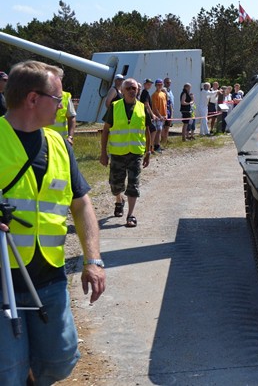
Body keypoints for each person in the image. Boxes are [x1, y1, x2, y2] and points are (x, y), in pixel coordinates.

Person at [0, 60, 105, 384]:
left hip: (49, 278)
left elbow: (81, 203)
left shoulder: (59, 144)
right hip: (3, 283)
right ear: (33, 99)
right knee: (8, 372)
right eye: (58, 99)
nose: (63, 107)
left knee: (60, 360)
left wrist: (93, 260)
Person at [99, 78, 151, 227]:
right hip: (117, 153)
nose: (131, 91)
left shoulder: (142, 108)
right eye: (128, 88)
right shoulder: (114, 107)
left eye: (134, 88)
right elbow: (105, 131)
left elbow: (147, 131)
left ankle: (130, 215)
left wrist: (148, 151)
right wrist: (103, 153)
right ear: (122, 91)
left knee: (133, 184)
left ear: (137, 90)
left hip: (135, 153)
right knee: (116, 185)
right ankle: (119, 200)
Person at [44, 78, 77, 146]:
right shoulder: (41, 96)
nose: (60, 106)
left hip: (61, 140)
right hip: (43, 139)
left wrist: (70, 137)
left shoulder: (65, 97)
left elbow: (71, 117)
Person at [150, 79, 168, 153]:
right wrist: (159, 116)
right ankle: (153, 146)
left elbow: (165, 105)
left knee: (160, 130)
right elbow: (154, 107)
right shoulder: (154, 95)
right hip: (157, 116)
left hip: (162, 116)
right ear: (155, 85)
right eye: (158, 84)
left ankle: (157, 145)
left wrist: (166, 114)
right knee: (156, 130)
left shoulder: (163, 94)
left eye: (161, 84)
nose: (159, 86)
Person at [139, 78, 156, 154]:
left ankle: (149, 146)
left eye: (150, 84)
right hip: (145, 114)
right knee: (152, 130)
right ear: (144, 84)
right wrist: (152, 114)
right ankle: (149, 147)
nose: (149, 85)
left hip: (146, 114)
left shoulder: (146, 92)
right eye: (148, 84)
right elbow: (146, 104)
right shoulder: (145, 93)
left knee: (150, 130)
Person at [162, 77, 174, 148]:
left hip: (169, 111)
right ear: (164, 83)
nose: (168, 84)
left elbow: (171, 103)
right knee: (162, 128)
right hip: (163, 111)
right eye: (167, 82)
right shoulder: (163, 90)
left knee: (167, 127)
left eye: (169, 82)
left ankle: (165, 141)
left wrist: (172, 113)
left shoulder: (170, 91)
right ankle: (161, 141)